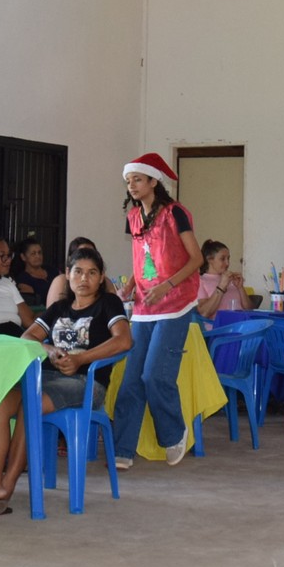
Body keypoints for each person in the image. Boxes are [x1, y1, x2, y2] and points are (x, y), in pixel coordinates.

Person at [0, 244, 136, 520]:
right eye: (78, 272)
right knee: (0, 402)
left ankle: (4, 489)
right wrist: (51, 351)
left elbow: (124, 340)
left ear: (102, 276)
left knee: (29, 405)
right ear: (67, 274)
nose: (84, 279)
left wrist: (81, 360)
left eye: (92, 273)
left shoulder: (108, 304)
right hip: (46, 378)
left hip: (86, 383)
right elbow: (28, 338)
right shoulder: (59, 308)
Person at [114, 154, 200, 469]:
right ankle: (123, 448)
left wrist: (167, 285)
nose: (132, 185)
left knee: (154, 376)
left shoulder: (175, 213)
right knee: (131, 380)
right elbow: (141, 257)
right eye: (128, 181)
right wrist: (132, 284)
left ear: (153, 181)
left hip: (176, 303)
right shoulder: (134, 217)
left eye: (138, 179)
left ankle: (174, 432)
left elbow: (196, 258)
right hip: (144, 306)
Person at [195, 240, 248, 319]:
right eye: (222, 259)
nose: (227, 263)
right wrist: (221, 286)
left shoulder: (231, 279)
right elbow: (204, 313)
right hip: (219, 328)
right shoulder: (200, 281)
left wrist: (240, 288)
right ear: (209, 259)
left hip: (241, 325)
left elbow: (250, 309)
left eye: (228, 258)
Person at [10, 236, 54, 309]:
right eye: (33, 253)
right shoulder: (23, 279)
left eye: (39, 253)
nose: (38, 256)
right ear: (23, 257)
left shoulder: (52, 270)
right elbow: (32, 305)